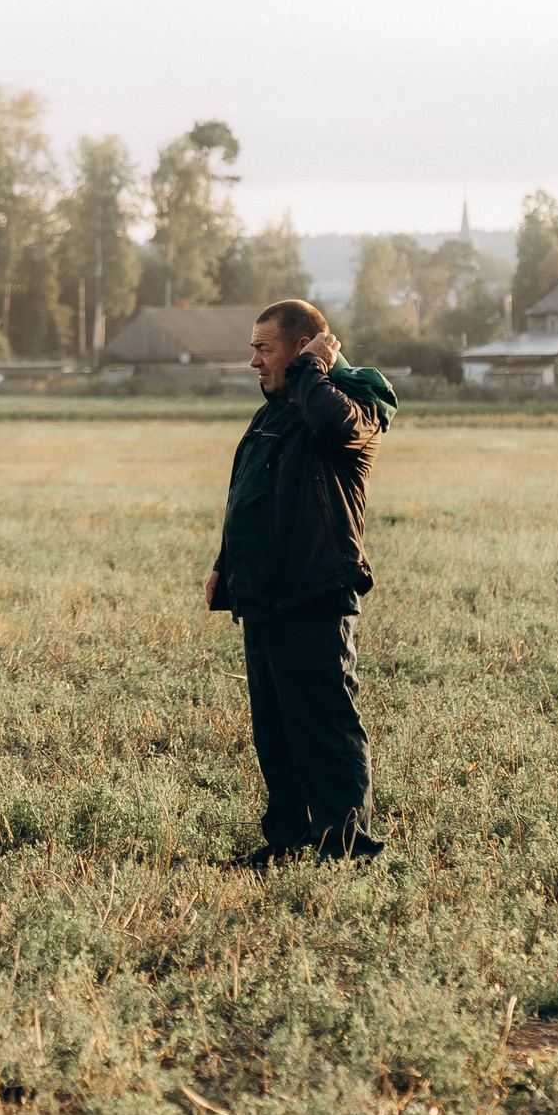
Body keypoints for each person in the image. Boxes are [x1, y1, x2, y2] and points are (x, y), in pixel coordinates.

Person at [203, 298, 396, 867]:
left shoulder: (353, 406)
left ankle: (347, 848)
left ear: (304, 345)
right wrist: (224, 563)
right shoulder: (272, 413)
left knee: (326, 725)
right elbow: (247, 494)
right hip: (263, 593)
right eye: (253, 349)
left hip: (314, 592)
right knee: (277, 731)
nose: (254, 361)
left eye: (265, 349)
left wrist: (314, 368)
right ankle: (287, 842)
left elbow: (334, 425)